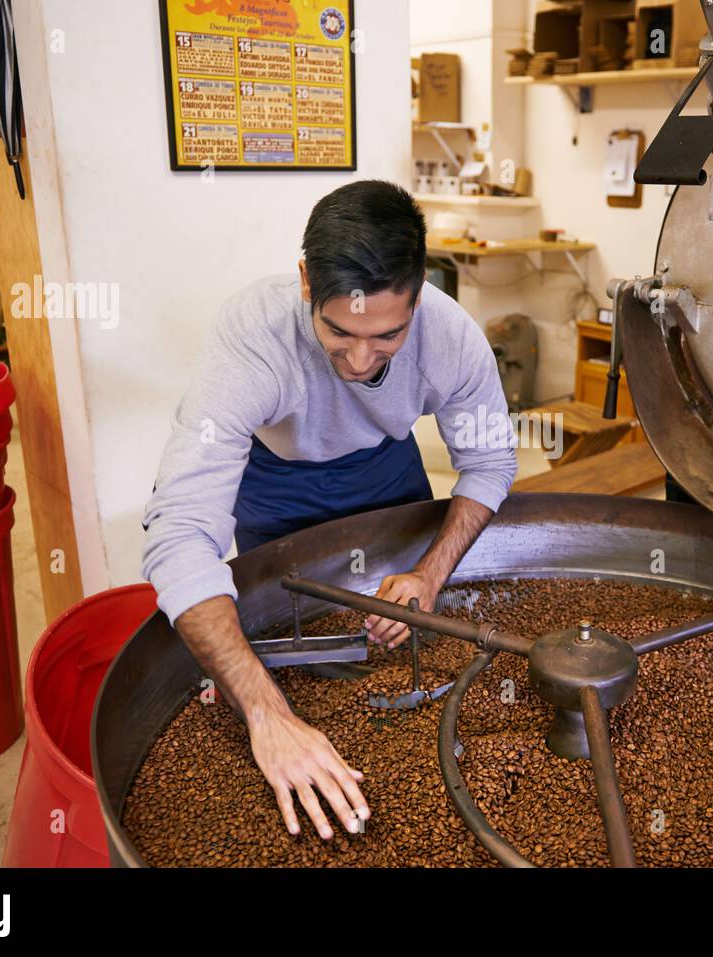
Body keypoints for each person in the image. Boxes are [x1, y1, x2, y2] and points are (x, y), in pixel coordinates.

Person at [141, 180, 517, 842]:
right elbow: (178, 531)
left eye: (387, 336)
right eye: (338, 332)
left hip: (387, 469)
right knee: (283, 634)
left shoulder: (449, 335)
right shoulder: (252, 337)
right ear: (305, 281)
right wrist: (264, 712)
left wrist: (428, 573)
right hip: (276, 482)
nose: (361, 359)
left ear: (418, 294)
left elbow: (488, 463)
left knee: (400, 641)